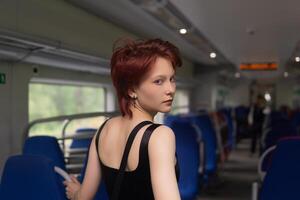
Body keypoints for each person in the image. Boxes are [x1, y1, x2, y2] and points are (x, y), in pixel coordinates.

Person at [64, 38, 182, 200]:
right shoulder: (160, 136)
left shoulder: (103, 130)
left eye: (172, 79)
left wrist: (76, 191)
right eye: (158, 81)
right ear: (132, 89)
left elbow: (83, 197)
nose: (170, 89)